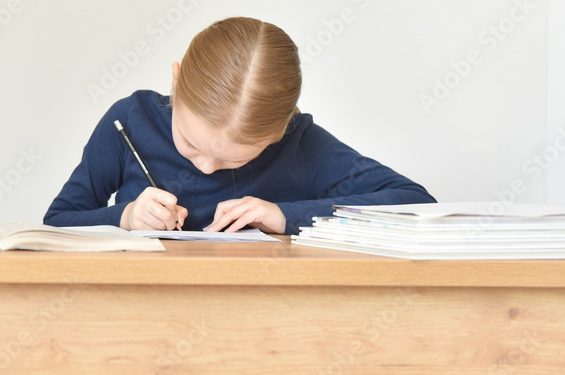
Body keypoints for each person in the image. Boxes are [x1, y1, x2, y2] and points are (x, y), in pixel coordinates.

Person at [43, 17, 436, 235]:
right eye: (191, 145)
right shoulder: (129, 121)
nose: (206, 168)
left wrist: (285, 216)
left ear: (279, 132)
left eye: (233, 161)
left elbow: (415, 203)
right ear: (176, 82)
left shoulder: (301, 145)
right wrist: (125, 217)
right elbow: (57, 222)